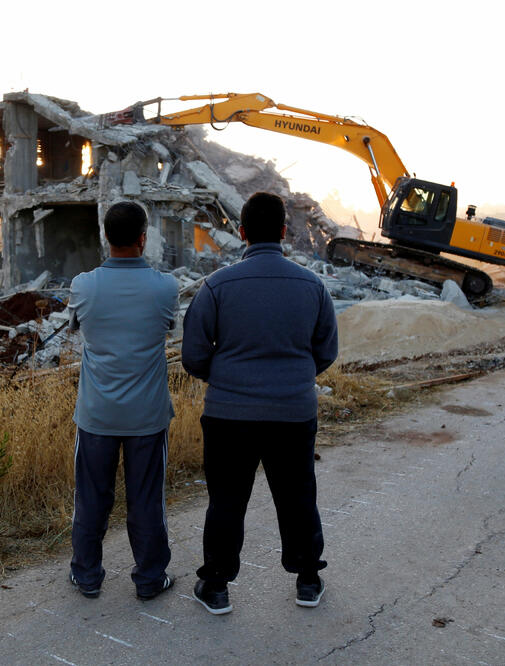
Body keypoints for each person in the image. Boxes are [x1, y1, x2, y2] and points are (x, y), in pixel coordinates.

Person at [181, 192, 338, 615]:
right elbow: (326, 352)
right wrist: (291, 380)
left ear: (241, 231)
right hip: (293, 413)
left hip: (229, 415)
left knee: (227, 501)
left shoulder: (217, 285)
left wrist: (231, 379)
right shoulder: (312, 286)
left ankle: (215, 586)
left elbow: (193, 355)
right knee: (298, 496)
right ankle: (308, 580)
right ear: (285, 233)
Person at [67, 201, 179, 600]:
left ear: (105, 236)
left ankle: (87, 576)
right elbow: (168, 325)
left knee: (91, 498)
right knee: (147, 500)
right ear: (143, 238)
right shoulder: (165, 287)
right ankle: (150, 580)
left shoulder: (83, 285)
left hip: (96, 414)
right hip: (147, 417)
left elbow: (77, 325)